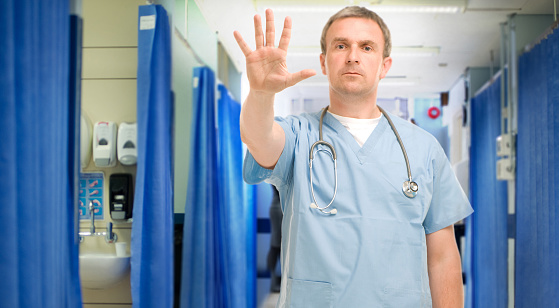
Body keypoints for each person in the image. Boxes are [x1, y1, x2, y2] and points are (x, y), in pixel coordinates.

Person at [234, 6, 473, 307]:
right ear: (324, 61)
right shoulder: (297, 134)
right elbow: (258, 138)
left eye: (367, 47)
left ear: (384, 65)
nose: (353, 56)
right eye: (341, 45)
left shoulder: (423, 149)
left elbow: (442, 259)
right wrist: (260, 93)